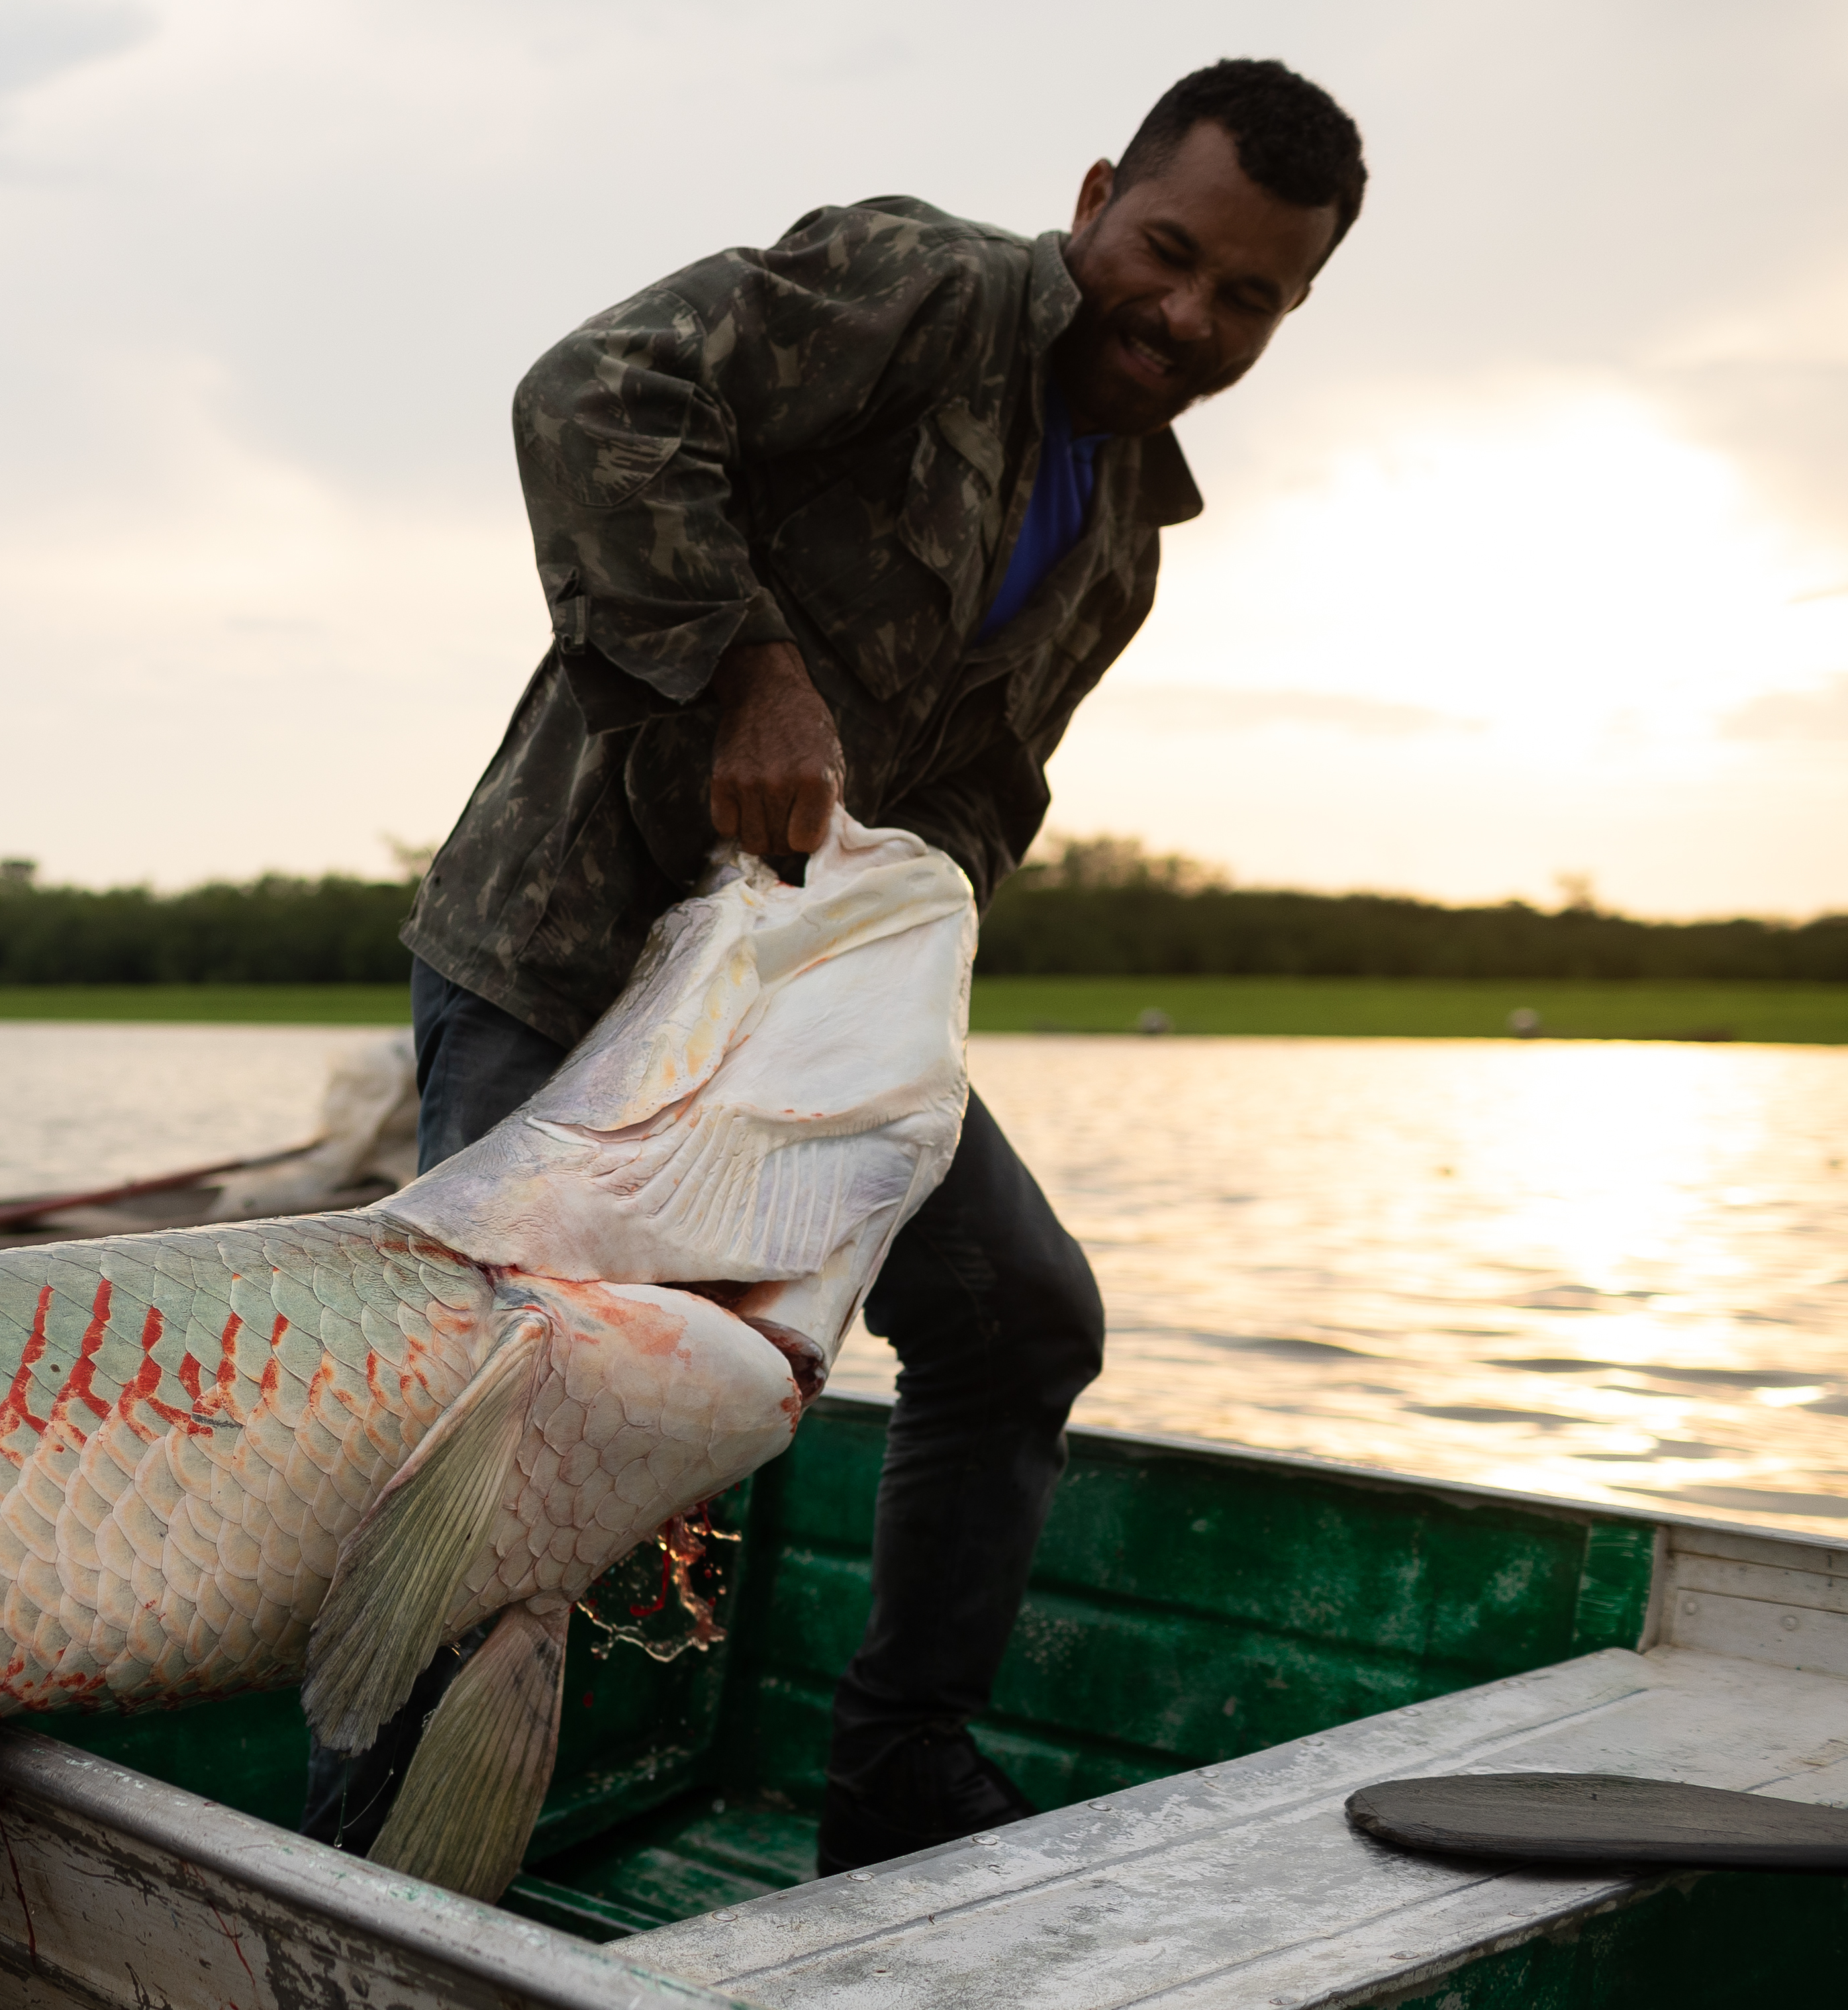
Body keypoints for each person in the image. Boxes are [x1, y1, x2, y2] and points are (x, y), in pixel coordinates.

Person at [319, 60, 1367, 1874]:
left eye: (1245, 298)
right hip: (564, 963)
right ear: (1098, 191)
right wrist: (746, 663)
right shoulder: (928, 287)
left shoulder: (1122, 540)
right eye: (1168, 253)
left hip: (802, 1030)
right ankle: (339, 1877)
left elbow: (977, 799)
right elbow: (589, 392)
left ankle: (891, 1773)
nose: (1185, 316)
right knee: (493, 1422)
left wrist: (883, 993)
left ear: (1290, 310)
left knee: (1018, 1311)